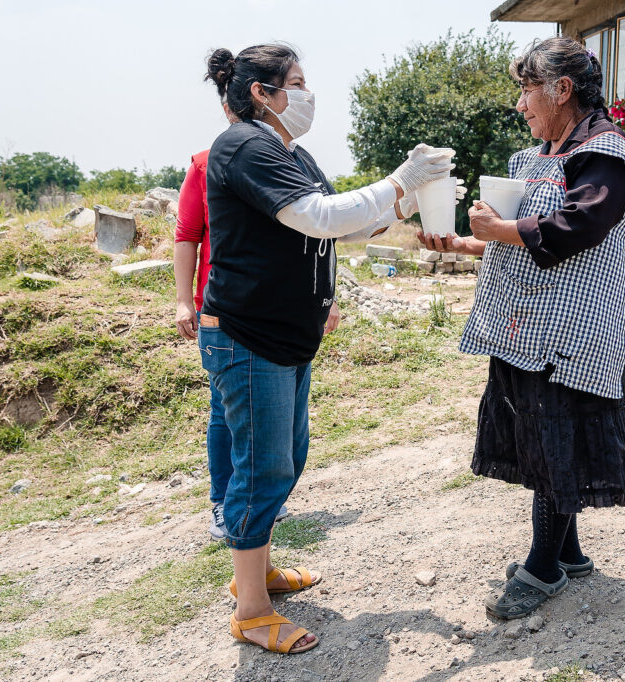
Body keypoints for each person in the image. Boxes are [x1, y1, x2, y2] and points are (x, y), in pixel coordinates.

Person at [201, 43, 460, 654]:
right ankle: (250, 611)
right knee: (262, 467)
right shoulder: (244, 146)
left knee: (285, 457)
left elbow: (343, 223)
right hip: (248, 335)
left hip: (284, 336)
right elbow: (318, 217)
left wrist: (406, 198)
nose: (306, 93)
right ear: (262, 92)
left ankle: (257, 571)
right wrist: (398, 179)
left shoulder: (290, 152)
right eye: (296, 82)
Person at [419, 37, 625, 619]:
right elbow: (515, 238)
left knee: (555, 437)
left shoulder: (605, 155)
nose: (520, 104)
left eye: (526, 90)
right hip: (526, 325)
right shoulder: (538, 155)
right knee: (544, 433)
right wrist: (460, 243)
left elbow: (576, 226)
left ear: (561, 90)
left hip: (573, 330)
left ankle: (543, 566)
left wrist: (498, 230)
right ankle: (568, 553)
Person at [173, 140, 310, 540]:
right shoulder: (205, 165)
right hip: (224, 310)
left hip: (280, 311)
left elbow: (313, 234)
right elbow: (187, 235)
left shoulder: (289, 160)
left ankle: (259, 499)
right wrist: (183, 301)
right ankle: (224, 503)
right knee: (224, 411)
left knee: (283, 416)